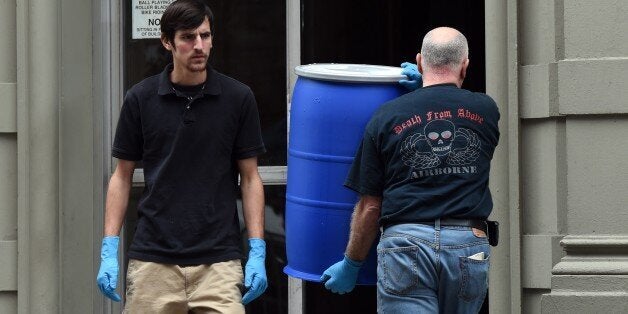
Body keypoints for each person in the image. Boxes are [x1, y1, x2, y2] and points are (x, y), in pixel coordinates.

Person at [96, 0, 267, 312]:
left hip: (219, 261)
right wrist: (109, 247)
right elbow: (121, 177)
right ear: (167, 42)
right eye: (188, 37)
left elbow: (251, 177)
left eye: (205, 35)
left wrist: (257, 249)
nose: (199, 45)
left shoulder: (237, 98)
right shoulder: (141, 99)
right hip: (153, 260)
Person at [320, 27, 500, 313]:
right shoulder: (486, 110)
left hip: (406, 246)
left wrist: (351, 264)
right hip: (468, 246)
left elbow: (369, 206)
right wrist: (428, 94)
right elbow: (454, 107)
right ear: (465, 64)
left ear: (418, 62)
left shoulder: (386, 116)